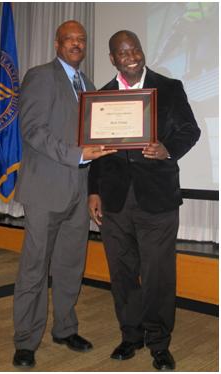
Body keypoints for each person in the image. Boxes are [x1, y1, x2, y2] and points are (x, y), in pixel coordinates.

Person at [88, 30, 201, 371]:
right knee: (122, 272)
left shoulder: (169, 87)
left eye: (134, 48)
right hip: (115, 200)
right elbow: (97, 153)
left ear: (141, 50)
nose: (131, 55)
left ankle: (159, 343)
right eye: (122, 52)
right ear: (113, 59)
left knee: (158, 275)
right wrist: (93, 191)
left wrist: (168, 150)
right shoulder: (102, 96)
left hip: (158, 198)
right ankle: (131, 335)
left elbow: (190, 130)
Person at [12, 20, 116, 368]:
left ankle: (65, 328)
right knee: (35, 267)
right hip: (45, 189)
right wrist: (79, 155)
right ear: (57, 43)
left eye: (81, 40)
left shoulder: (87, 85)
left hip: (78, 189)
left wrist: (93, 183)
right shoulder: (40, 76)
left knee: (71, 265)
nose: (76, 44)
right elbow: (33, 131)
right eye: (70, 39)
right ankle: (27, 340)